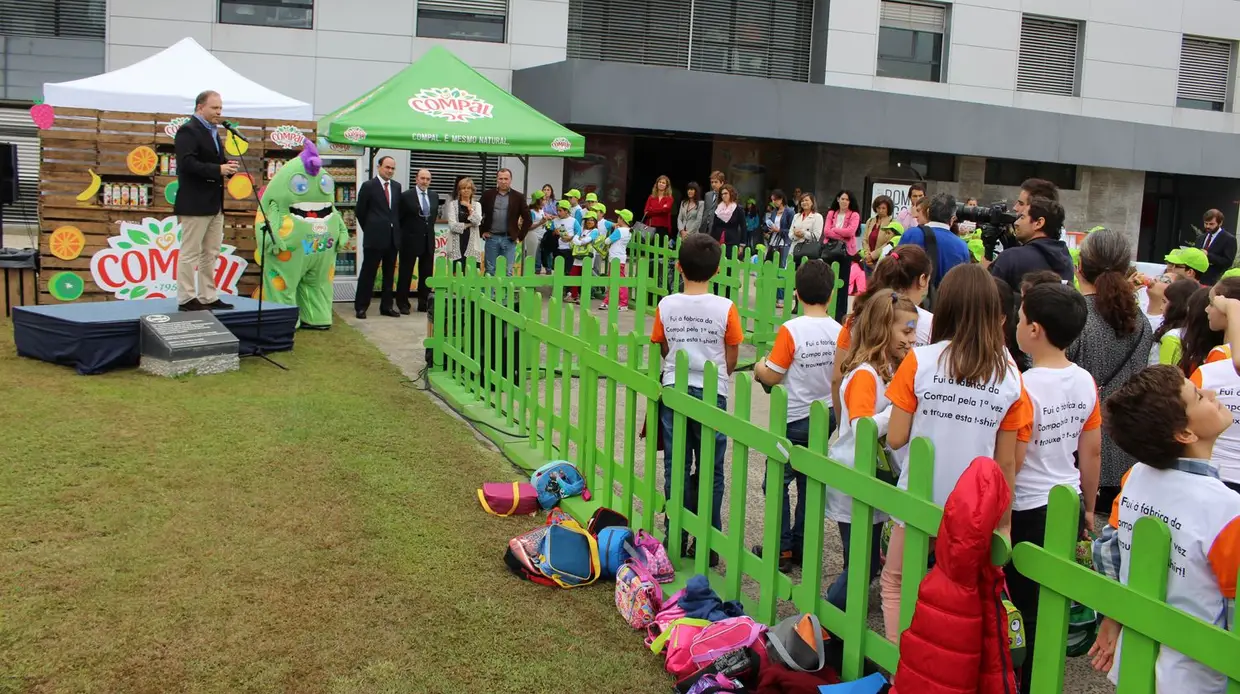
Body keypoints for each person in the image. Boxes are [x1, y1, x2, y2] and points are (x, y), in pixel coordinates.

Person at [880, 263, 1033, 639]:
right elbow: (1006, 462)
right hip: (974, 509)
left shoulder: (920, 361)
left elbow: (896, 437)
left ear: (945, 305)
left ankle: (901, 658)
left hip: (920, 497)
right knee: (961, 595)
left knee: (897, 581)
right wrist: (1004, 524)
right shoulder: (1010, 375)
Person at [1089, 364, 1240, 694]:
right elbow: (1235, 608)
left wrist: (1114, 615)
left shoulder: (1135, 477)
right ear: (1185, 434)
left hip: (1135, 660)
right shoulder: (1228, 509)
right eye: (1198, 396)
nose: (1211, 393)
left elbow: (1108, 550)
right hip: (1200, 678)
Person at [1008, 282, 1100, 694]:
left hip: (1028, 506)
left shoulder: (1024, 385)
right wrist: (1089, 506)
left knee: (1023, 605)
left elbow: (1014, 457)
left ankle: (1023, 682)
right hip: (1068, 498)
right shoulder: (1084, 380)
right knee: (1054, 601)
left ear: (1034, 329)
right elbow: (1091, 451)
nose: (1017, 324)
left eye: (1020, 318)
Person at [651, 233, 743, 566]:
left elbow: (663, 346)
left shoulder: (666, 305)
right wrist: (720, 373)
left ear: (678, 267)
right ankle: (708, 540)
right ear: (717, 270)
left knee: (676, 465)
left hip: (675, 388)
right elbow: (731, 354)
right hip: (711, 392)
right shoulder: (726, 308)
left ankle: (675, 533)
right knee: (711, 469)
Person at [825, 287, 918, 612]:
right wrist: (896, 413)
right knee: (862, 564)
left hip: (870, 479)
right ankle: (828, 616)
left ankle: (841, 610)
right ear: (882, 329)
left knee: (865, 561)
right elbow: (863, 427)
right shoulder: (865, 375)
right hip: (855, 481)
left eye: (913, 331)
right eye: (906, 331)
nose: (912, 339)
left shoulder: (887, 370)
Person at [753, 260, 842, 573]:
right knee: (809, 481)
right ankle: (803, 544)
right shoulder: (839, 331)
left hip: (793, 418)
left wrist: (759, 366)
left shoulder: (792, 329)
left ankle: (781, 547)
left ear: (798, 294)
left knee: (777, 481)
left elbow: (773, 374)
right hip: (825, 416)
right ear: (831, 295)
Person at [1067, 227, 1154, 514]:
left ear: (1080, 266)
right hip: (1123, 452)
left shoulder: (1072, 316)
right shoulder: (1140, 321)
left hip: (1074, 449)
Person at [831, 245, 934, 416]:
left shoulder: (860, 316)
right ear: (923, 279)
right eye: (907, 331)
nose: (912, 338)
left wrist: (843, 420)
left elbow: (837, 378)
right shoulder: (932, 323)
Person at [174, 90, 236, 312]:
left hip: (214, 202)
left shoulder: (213, 131)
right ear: (200, 107)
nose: (219, 112)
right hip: (195, 202)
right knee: (190, 252)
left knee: (211, 252)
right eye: (214, 108)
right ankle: (186, 297)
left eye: (220, 108)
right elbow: (187, 163)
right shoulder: (188, 130)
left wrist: (227, 167)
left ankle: (208, 296)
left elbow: (211, 160)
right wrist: (217, 169)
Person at [1189, 282, 1240, 492]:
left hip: (1216, 473)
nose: (1206, 309)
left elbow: (1185, 417)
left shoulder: (1216, 362)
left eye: (1212, 303)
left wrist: (1233, 306)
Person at [897, 193, 972, 301]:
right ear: (953, 218)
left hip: (909, 302)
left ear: (928, 212)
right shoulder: (962, 246)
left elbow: (896, 268)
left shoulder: (911, 234)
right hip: (945, 305)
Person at [988, 196, 1074, 290]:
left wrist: (988, 247)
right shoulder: (1066, 259)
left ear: (1039, 223)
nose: (1016, 223)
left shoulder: (1010, 257)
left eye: (1022, 217)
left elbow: (989, 294)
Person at [353, 155, 402, 319]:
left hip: (392, 239)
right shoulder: (369, 186)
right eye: (387, 167)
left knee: (389, 275)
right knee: (368, 273)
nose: (390, 171)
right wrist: (370, 228)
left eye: (393, 168)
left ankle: (387, 306)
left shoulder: (396, 187)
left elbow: (396, 212)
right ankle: (361, 307)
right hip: (374, 238)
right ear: (379, 167)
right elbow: (360, 211)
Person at [397, 168, 438, 313]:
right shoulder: (406, 196)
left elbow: (432, 218)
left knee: (426, 273)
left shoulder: (434, 196)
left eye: (428, 179)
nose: (425, 181)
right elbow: (400, 218)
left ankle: (424, 302)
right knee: (406, 273)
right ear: (416, 179)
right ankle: (402, 303)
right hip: (409, 241)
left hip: (428, 241)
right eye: (422, 178)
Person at [480, 168, 530, 276]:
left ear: (510, 180)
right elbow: (478, 214)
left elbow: (528, 219)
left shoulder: (518, 197)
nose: (503, 181)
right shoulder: (488, 195)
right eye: (501, 178)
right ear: (497, 180)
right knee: (490, 270)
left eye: (506, 179)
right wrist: (482, 231)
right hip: (491, 238)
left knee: (507, 271)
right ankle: (490, 288)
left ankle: (506, 289)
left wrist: (519, 236)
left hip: (509, 239)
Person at [824, 190, 862, 322]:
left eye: (847, 199)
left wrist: (834, 230)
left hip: (846, 252)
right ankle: (825, 311)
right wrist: (840, 234)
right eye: (842, 199)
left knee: (843, 283)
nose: (844, 201)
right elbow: (826, 231)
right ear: (838, 199)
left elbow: (850, 232)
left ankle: (840, 315)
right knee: (827, 281)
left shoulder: (854, 215)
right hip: (830, 250)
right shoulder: (831, 213)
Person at [1151, 277, 1198, 366]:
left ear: (1177, 306)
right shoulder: (1191, 334)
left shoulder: (1171, 338)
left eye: (1164, 302)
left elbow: (1163, 371)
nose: (1161, 307)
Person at [765, 189, 795, 308]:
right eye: (772, 200)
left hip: (784, 243)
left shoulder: (790, 212)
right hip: (773, 242)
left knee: (781, 270)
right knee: (770, 267)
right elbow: (771, 225)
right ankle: (772, 294)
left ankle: (781, 298)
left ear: (781, 199)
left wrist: (779, 230)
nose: (774, 202)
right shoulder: (774, 212)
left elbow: (791, 230)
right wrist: (768, 229)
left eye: (775, 199)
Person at [444, 176, 482, 270]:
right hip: (456, 244)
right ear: (459, 190)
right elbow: (452, 226)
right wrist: (468, 225)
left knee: (471, 272)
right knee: (455, 272)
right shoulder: (453, 204)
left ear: (472, 190)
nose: (466, 190)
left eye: (468, 188)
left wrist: (469, 208)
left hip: (472, 244)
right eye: (463, 188)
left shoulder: (477, 205)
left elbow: (477, 222)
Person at [599, 208, 633, 311]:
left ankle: (623, 303)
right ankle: (608, 301)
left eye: (619, 217)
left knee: (617, 281)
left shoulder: (619, 231)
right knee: (615, 280)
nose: (617, 219)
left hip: (615, 257)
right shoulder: (628, 231)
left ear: (622, 219)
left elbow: (607, 241)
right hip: (619, 257)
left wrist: (614, 231)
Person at [1195, 209, 1236, 285]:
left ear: (1220, 223)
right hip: (1197, 279)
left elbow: (1228, 262)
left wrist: (1208, 255)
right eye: (1206, 223)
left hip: (1213, 281)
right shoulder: (1200, 238)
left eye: (1211, 224)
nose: (1207, 226)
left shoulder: (1229, 239)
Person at [709, 183, 747, 259]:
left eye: (726, 193)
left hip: (732, 242)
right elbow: (714, 226)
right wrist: (711, 241)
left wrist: (742, 245)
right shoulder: (718, 208)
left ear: (731, 194)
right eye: (722, 194)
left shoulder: (738, 209)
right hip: (717, 240)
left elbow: (743, 227)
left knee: (729, 263)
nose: (723, 196)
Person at [864, 195, 895, 268]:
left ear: (888, 209)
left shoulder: (892, 223)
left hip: (883, 262)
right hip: (868, 260)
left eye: (883, 208)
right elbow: (865, 240)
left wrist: (873, 256)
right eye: (878, 208)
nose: (880, 211)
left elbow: (889, 244)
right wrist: (867, 254)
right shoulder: (870, 221)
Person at [644, 175, 675, 246]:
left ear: (667, 186)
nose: (661, 184)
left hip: (663, 227)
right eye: (660, 182)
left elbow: (666, 210)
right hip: (651, 226)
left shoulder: (669, 198)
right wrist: (661, 209)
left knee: (660, 248)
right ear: (657, 183)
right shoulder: (651, 197)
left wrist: (652, 210)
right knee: (649, 248)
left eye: (663, 183)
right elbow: (646, 212)